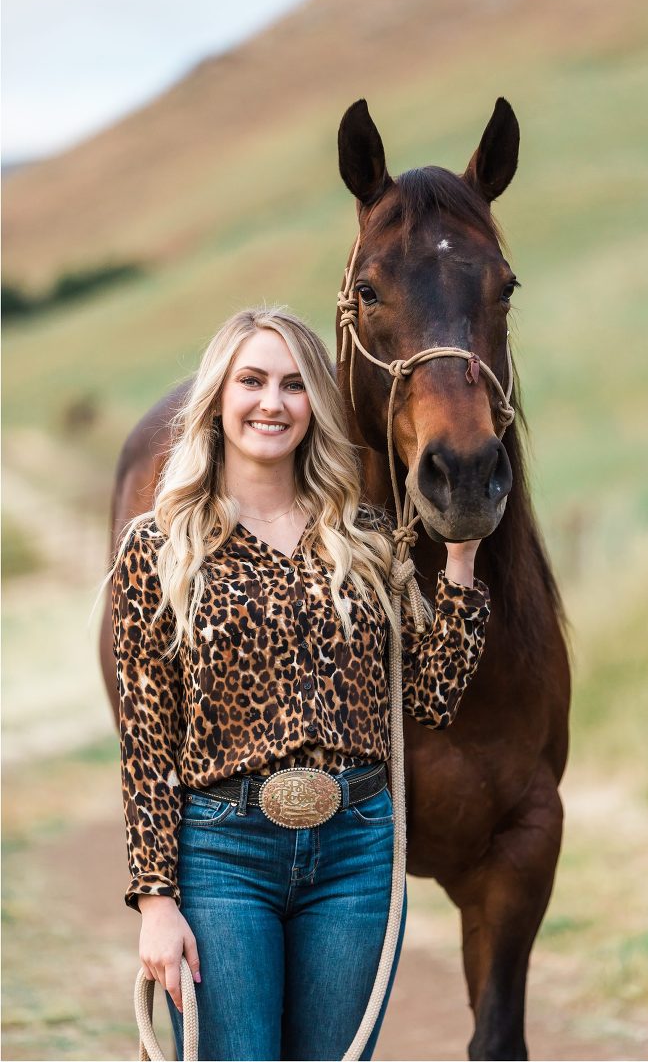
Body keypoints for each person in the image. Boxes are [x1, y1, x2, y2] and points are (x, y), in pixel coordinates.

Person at [112, 306, 491, 1062]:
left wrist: (459, 560)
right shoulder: (160, 545)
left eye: (293, 384)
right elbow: (146, 743)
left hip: (357, 851)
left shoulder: (367, 536)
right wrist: (156, 901)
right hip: (222, 855)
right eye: (251, 380)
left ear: (315, 401)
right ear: (220, 396)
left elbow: (431, 698)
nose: (271, 402)